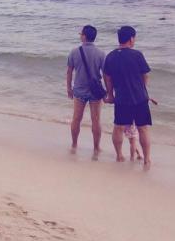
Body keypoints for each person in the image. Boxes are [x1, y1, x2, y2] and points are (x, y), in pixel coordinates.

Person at [103, 26, 153, 170]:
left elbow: (107, 77)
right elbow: (145, 75)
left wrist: (110, 94)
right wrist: (143, 89)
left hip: (121, 98)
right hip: (139, 98)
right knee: (143, 128)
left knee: (118, 127)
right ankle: (147, 160)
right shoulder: (137, 55)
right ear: (131, 39)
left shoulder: (111, 56)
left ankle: (119, 155)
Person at [66, 25, 106, 154]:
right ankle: (96, 148)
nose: (80, 36)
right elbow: (106, 75)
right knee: (96, 121)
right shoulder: (101, 54)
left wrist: (69, 88)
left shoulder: (74, 52)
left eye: (81, 34)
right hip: (95, 91)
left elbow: (69, 71)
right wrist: (108, 92)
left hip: (79, 90)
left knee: (76, 119)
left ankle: (74, 145)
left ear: (84, 36)